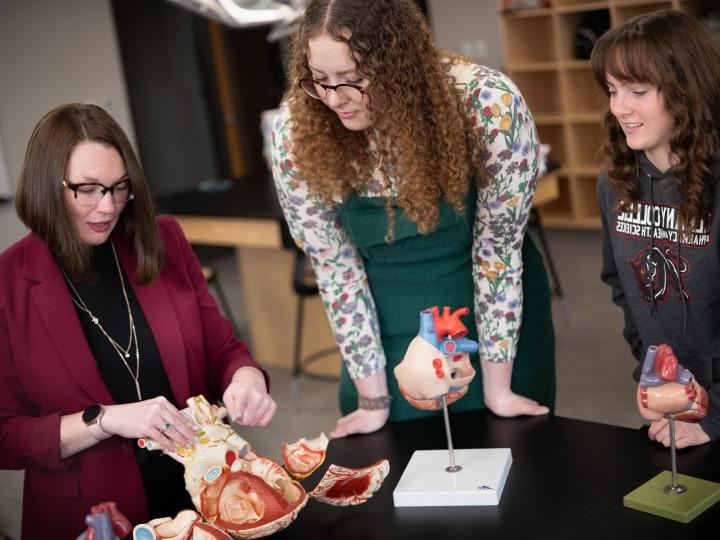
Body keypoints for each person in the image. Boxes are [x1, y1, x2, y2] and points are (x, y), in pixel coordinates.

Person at [271, 0, 555, 438]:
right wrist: (373, 399)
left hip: (493, 317)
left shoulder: (485, 105)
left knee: (511, 456)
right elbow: (336, 269)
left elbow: (497, 253)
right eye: (319, 81)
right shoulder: (297, 130)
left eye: (353, 81)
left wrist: (498, 389)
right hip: (383, 323)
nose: (334, 99)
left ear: (399, 63)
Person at [0, 103, 277, 539]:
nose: (107, 207)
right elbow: (6, 435)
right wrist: (103, 420)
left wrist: (245, 380)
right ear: (45, 186)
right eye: (87, 189)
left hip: (205, 499)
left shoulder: (163, 239)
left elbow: (224, 352)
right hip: (95, 518)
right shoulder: (7, 283)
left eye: (119, 187)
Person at [591, 9, 720, 449]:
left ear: (686, 91)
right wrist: (653, 372)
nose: (619, 108)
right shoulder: (614, 185)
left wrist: (715, 412)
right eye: (612, 90)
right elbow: (622, 288)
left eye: (637, 91)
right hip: (669, 396)